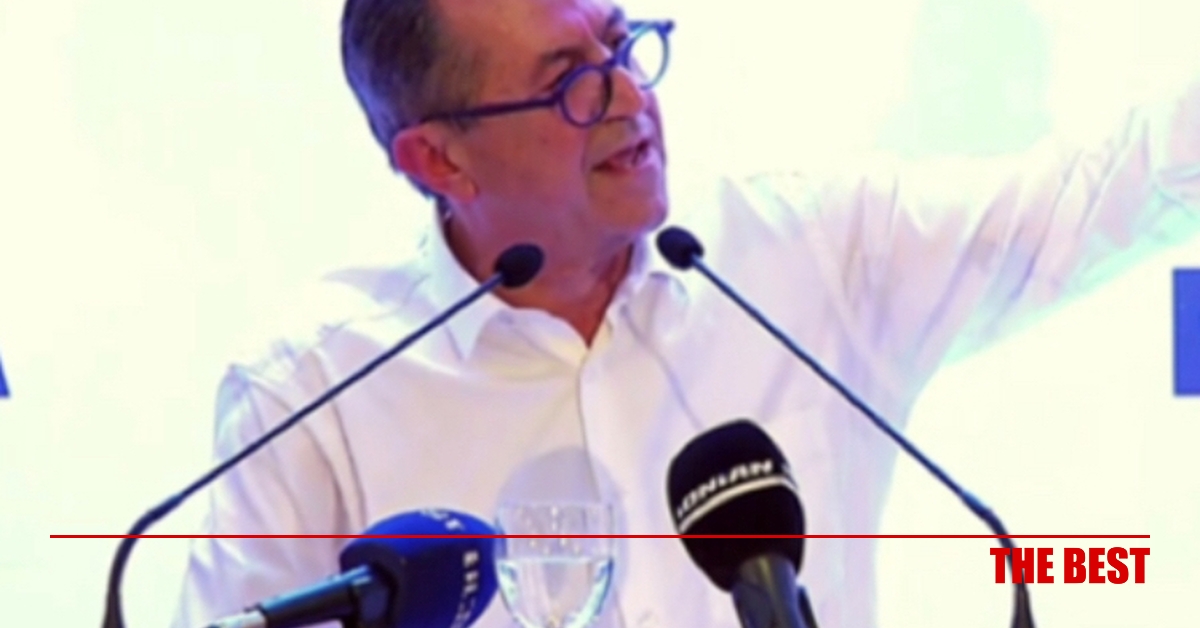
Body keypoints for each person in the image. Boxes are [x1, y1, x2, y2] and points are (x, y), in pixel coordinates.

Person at [170, 0, 1200, 626]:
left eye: (623, 47)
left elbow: (1095, 194)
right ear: (438, 158)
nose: (628, 98)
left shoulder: (807, 255)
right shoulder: (313, 392)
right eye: (569, 84)